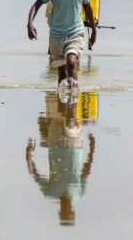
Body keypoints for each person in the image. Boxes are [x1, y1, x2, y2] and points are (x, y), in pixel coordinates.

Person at [26, 91, 96, 226]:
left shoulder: (50, 192)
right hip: (74, 144)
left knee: (58, 111)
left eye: (65, 211)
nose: (66, 208)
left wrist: (28, 156)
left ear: (60, 211)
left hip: (54, 140)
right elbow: (86, 171)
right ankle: (72, 91)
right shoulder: (79, 195)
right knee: (70, 119)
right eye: (68, 211)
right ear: (73, 210)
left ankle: (66, 86)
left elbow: (34, 174)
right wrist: (92, 148)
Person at [28, 0, 96, 87]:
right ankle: (62, 101)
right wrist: (30, 23)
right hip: (56, 34)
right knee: (61, 71)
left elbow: (88, 9)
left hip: (75, 32)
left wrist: (93, 30)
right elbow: (36, 5)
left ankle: (73, 99)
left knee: (71, 63)